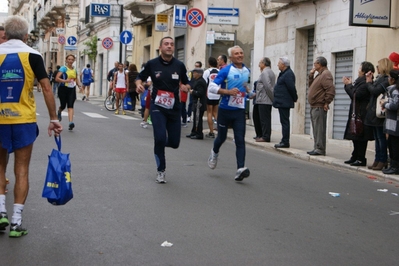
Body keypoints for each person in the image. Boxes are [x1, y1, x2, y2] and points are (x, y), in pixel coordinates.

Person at [0, 15, 63, 237]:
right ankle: (16, 222)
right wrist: (54, 119)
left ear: (5, 34)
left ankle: (0, 213)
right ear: (26, 36)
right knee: (22, 169)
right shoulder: (33, 55)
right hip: (23, 120)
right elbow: (46, 88)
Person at [136, 36, 190, 183]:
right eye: (166, 44)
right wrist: (139, 85)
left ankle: (159, 144)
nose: (169, 46)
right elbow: (139, 77)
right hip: (157, 105)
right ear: (160, 47)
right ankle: (161, 171)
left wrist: (186, 87)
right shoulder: (152, 64)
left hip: (174, 107)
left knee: (174, 143)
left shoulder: (179, 65)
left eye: (172, 44)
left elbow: (186, 82)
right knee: (160, 137)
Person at [207, 45, 251, 181]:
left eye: (241, 53)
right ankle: (214, 153)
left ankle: (240, 169)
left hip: (239, 111)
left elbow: (244, 87)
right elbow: (212, 87)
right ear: (231, 57)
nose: (239, 55)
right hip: (225, 110)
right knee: (222, 137)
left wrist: (249, 94)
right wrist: (227, 92)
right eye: (236, 54)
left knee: (240, 140)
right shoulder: (226, 70)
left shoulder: (247, 71)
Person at [342, 61, 375, 166]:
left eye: (360, 68)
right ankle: (355, 156)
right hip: (356, 112)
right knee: (355, 135)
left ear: (364, 71)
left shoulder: (365, 83)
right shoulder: (359, 82)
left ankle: (361, 158)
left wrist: (348, 86)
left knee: (360, 137)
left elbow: (356, 95)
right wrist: (349, 85)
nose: (358, 70)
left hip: (362, 114)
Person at [364, 58, 392, 170]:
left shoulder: (386, 80)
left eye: (378, 66)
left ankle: (383, 160)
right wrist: (370, 81)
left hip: (380, 113)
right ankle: (377, 159)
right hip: (374, 112)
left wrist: (369, 82)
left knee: (381, 138)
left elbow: (375, 91)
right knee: (377, 138)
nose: (377, 68)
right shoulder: (378, 79)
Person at [307, 56, 336, 156]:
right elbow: (311, 86)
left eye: (315, 63)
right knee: (316, 128)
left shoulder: (326, 74)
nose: (314, 65)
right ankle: (316, 147)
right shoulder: (319, 74)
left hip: (319, 106)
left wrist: (327, 102)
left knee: (319, 128)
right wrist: (311, 75)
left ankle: (320, 149)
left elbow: (330, 90)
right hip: (314, 106)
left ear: (320, 64)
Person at [273, 57, 297, 147]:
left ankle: (285, 141)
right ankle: (284, 140)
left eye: (279, 63)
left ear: (283, 65)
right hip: (281, 101)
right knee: (283, 122)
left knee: (285, 122)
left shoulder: (288, 74)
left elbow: (291, 88)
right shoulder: (283, 73)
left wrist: (295, 97)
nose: (277, 65)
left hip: (284, 102)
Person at [55, 54, 83, 130]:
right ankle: (59, 111)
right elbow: (57, 78)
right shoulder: (63, 68)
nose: (70, 61)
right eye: (69, 59)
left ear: (74, 61)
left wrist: (79, 85)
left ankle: (71, 122)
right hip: (63, 88)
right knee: (63, 105)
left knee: (70, 105)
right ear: (66, 60)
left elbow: (76, 78)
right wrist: (65, 80)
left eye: (72, 59)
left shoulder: (74, 69)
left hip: (71, 89)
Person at [380, 69, 399, 174]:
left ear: (392, 79)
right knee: (392, 144)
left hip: (395, 122)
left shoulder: (395, 90)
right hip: (393, 122)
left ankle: (395, 166)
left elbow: (394, 105)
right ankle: (393, 165)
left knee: (394, 145)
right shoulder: (393, 89)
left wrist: (384, 104)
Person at [256, 57, 276, 143]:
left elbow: (268, 87)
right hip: (265, 99)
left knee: (264, 120)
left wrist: (272, 98)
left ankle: (265, 136)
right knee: (265, 119)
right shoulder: (270, 72)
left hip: (264, 99)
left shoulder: (265, 73)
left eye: (260, 63)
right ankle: (265, 135)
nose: (259, 65)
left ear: (264, 64)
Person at [186, 68, 207, 139]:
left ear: (199, 74)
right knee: (195, 118)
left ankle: (199, 133)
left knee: (198, 119)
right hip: (196, 102)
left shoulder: (201, 81)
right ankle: (194, 132)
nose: (193, 74)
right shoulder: (196, 80)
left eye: (194, 73)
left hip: (199, 103)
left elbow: (200, 93)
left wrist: (193, 92)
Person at [203, 57, 220, 138]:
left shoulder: (207, 72)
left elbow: (204, 83)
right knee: (215, 112)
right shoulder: (219, 71)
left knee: (209, 112)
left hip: (209, 94)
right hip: (217, 93)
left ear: (209, 63)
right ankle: (220, 129)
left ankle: (211, 131)